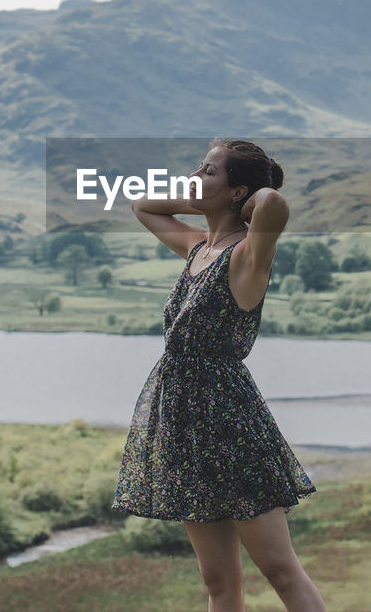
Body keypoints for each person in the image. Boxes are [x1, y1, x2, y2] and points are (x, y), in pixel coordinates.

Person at [111, 139, 326, 612]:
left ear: (238, 191)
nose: (194, 176)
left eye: (208, 170)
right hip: (185, 427)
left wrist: (243, 197)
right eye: (196, 167)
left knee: (280, 570)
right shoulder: (196, 249)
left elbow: (272, 203)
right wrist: (203, 192)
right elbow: (142, 205)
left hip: (231, 425)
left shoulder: (248, 257)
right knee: (217, 582)